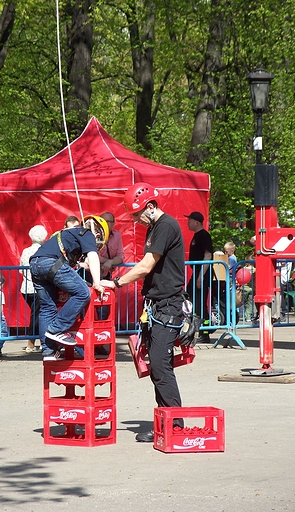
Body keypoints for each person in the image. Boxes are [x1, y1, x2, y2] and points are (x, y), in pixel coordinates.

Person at [101, 183, 185, 443]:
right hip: (156, 304)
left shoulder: (166, 226)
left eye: (137, 214)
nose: (135, 220)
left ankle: (175, 424)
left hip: (168, 305)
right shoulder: (154, 227)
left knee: (160, 364)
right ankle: (166, 421)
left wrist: (116, 283)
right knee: (158, 366)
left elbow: (147, 265)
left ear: (150, 206)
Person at [29, 215, 108, 358]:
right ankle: (57, 329)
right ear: (98, 234)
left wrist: (80, 266)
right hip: (51, 263)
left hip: (35, 263)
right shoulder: (87, 233)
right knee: (83, 293)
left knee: (47, 307)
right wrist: (97, 282)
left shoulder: (64, 233)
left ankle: (48, 351)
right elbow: (93, 256)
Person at [185, 211, 214, 343]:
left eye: (189, 220)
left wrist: (201, 276)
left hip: (202, 273)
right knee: (190, 298)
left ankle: (205, 332)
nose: (187, 223)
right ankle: (196, 329)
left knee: (200, 302)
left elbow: (207, 256)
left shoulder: (204, 236)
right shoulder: (197, 236)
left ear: (196, 222)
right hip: (197, 273)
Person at [19, 225, 48, 352]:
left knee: (37, 314)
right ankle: (34, 343)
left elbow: (21, 270)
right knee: (38, 316)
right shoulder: (45, 251)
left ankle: (37, 341)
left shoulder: (26, 251)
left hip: (26, 288)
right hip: (39, 288)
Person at [99, 212, 124, 279]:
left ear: (113, 224)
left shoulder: (117, 235)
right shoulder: (93, 235)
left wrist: (110, 262)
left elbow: (121, 256)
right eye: (104, 221)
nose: (106, 223)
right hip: (91, 273)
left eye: (109, 221)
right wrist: (108, 261)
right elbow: (94, 257)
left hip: (107, 274)